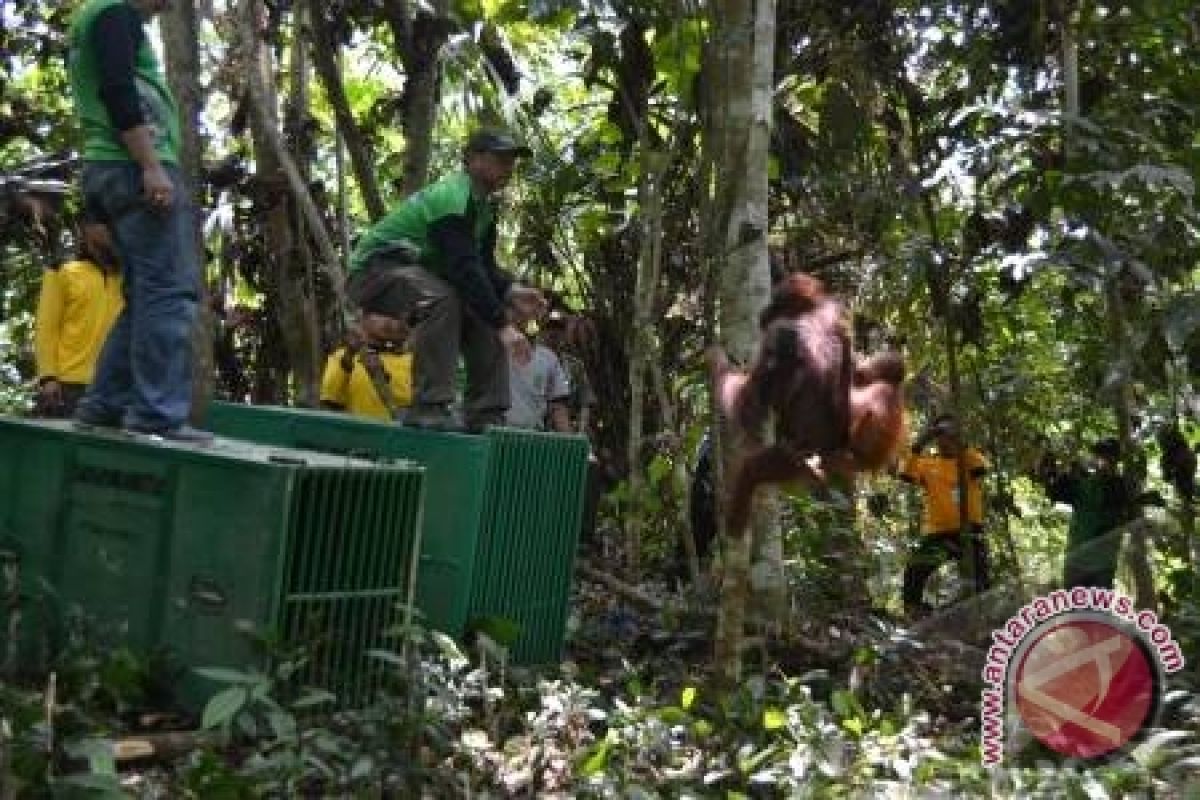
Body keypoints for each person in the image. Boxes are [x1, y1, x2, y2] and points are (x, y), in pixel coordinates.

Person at [67, 0, 209, 442]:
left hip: (109, 168)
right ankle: (157, 414)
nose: (164, 6)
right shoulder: (114, 13)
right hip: (130, 167)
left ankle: (105, 405)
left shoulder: (94, 15)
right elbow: (116, 88)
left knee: (147, 295)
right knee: (170, 292)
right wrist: (150, 164)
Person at [346, 129, 547, 432]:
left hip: (417, 273)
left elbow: (482, 268)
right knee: (442, 298)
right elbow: (463, 267)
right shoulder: (452, 197)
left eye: (512, 161)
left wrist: (512, 291)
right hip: (375, 271)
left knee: (483, 309)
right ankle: (429, 407)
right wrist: (505, 327)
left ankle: (486, 414)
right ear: (473, 160)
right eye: (501, 159)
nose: (508, 167)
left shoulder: (483, 210)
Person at [1035, 437, 1161, 590]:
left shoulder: (1121, 486)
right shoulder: (1083, 483)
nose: (1104, 461)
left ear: (1116, 460)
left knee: (1097, 610)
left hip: (1103, 565)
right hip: (1077, 561)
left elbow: (1126, 513)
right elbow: (1054, 491)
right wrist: (1047, 472)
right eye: (1101, 456)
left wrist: (1142, 500)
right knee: (1075, 609)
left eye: (1109, 457)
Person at [897, 414, 990, 616]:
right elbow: (905, 474)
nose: (944, 439)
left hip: (969, 531)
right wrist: (921, 441)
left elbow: (981, 469)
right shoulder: (928, 464)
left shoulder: (968, 458)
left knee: (980, 582)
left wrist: (959, 441)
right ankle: (915, 614)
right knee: (915, 571)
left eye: (948, 433)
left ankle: (982, 618)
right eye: (940, 434)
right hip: (939, 534)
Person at [34, 222, 123, 418]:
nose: (107, 230)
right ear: (86, 231)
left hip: (117, 384)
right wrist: (48, 378)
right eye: (99, 223)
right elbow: (46, 328)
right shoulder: (63, 270)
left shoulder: (128, 276)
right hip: (70, 384)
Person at [320, 313, 413, 422]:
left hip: (395, 434)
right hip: (357, 432)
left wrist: (382, 376)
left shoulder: (411, 360)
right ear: (364, 320)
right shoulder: (342, 355)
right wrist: (348, 356)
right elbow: (332, 399)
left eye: (394, 318)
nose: (388, 322)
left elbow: (407, 401)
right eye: (380, 314)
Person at [505, 328, 571, 432]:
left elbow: (558, 407)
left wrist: (569, 443)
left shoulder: (549, 358)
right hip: (496, 432)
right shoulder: (495, 349)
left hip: (534, 436)